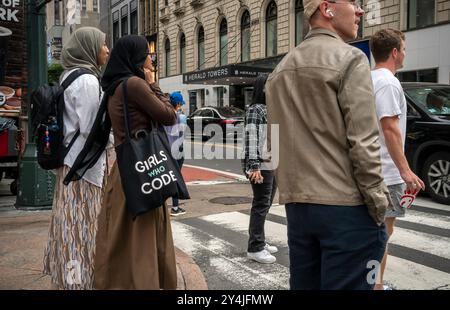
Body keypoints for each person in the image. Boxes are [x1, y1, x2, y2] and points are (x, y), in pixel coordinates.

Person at [266, 0, 391, 290]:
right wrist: (377, 201)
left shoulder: (280, 70)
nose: (360, 11)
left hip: (299, 207)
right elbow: (364, 139)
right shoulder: (350, 58)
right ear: (327, 8)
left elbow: (271, 144)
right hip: (345, 205)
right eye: (354, 3)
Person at [94, 35, 177, 290]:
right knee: (142, 238)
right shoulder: (135, 85)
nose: (150, 60)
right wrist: (153, 84)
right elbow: (169, 116)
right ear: (136, 58)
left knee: (123, 236)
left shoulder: (115, 87)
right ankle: (145, 283)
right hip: (144, 170)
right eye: (147, 54)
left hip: (124, 170)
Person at [43, 27, 110, 290]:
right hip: (84, 168)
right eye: (103, 44)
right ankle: (77, 283)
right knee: (81, 231)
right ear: (90, 48)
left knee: (69, 225)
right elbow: (93, 128)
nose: (106, 49)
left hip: (70, 164)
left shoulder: (68, 76)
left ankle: (69, 280)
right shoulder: (87, 81)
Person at [370, 28, 425, 290]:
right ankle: (375, 286)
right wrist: (405, 170)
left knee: (375, 235)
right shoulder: (389, 82)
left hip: (372, 169)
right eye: (403, 49)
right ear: (394, 52)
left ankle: (374, 283)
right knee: (382, 236)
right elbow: (390, 127)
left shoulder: (369, 79)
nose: (404, 54)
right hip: (386, 173)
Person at [242, 74, 278, 264]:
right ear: (263, 88)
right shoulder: (256, 109)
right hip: (261, 164)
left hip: (271, 162)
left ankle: (260, 241)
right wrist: (254, 165)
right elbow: (252, 137)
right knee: (261, 204)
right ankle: (255, 247)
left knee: (266, 204)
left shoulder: (270, 108)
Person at [164, 91, 187, 216]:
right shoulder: (180, 117)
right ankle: (175, 207)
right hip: (177, 150)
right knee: (176, 177)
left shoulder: (162, 114)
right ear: (177, 104)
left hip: (165, 149)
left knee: (166, 177)